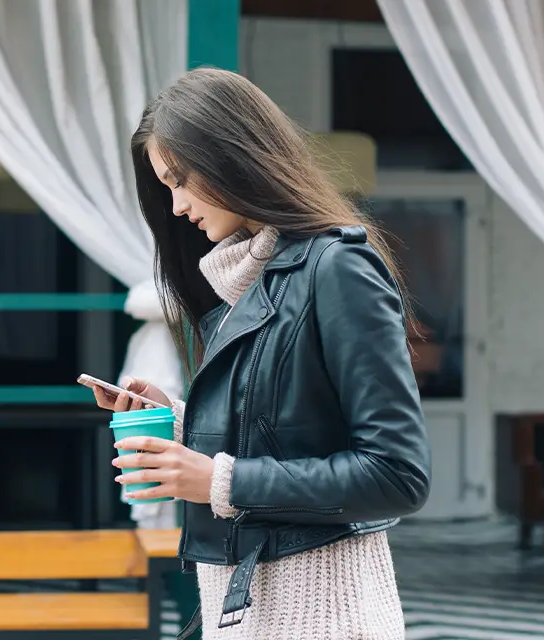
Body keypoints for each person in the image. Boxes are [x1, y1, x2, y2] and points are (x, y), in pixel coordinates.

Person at [91, 68, 431, 639]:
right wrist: (179, 421)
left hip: (326, 616)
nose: (175, 207)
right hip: (246, 611)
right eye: (165, 187)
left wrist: (216, 481)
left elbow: (396, 474)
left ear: (229, 153)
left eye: (180, 180)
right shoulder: (242, 282)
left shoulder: (337, 268)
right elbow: (289, 432)